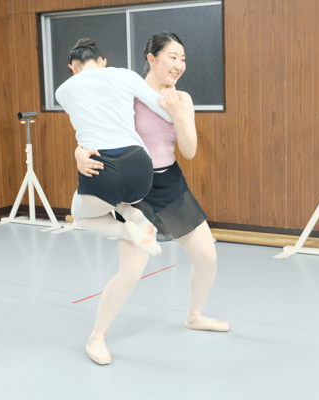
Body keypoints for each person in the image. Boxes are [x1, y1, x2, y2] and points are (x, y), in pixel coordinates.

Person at [75, 32, 230, 365]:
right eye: (172, 57)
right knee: (132, 271)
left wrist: (177, 113)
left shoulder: (182, 99)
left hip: (170, 183)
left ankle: (195, 316)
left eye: (183, 59)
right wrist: (79, 153)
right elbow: (92, 133)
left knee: (207, 258)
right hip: (135, 185)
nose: (179, 65)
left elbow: (189, 150)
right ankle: (97, 336)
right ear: (151, 59)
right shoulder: (126, 94)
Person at [56, 38, 175, 257]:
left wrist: (78, 153)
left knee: (81, 215)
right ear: (102, 62)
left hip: (102, 169)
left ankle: (126, 230)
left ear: (73, 67)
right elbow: (166, 111)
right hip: (139, 168)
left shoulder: (63, 91)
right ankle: (133, 215)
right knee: (118, 198)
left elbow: (90, 132)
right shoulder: (125, 75)